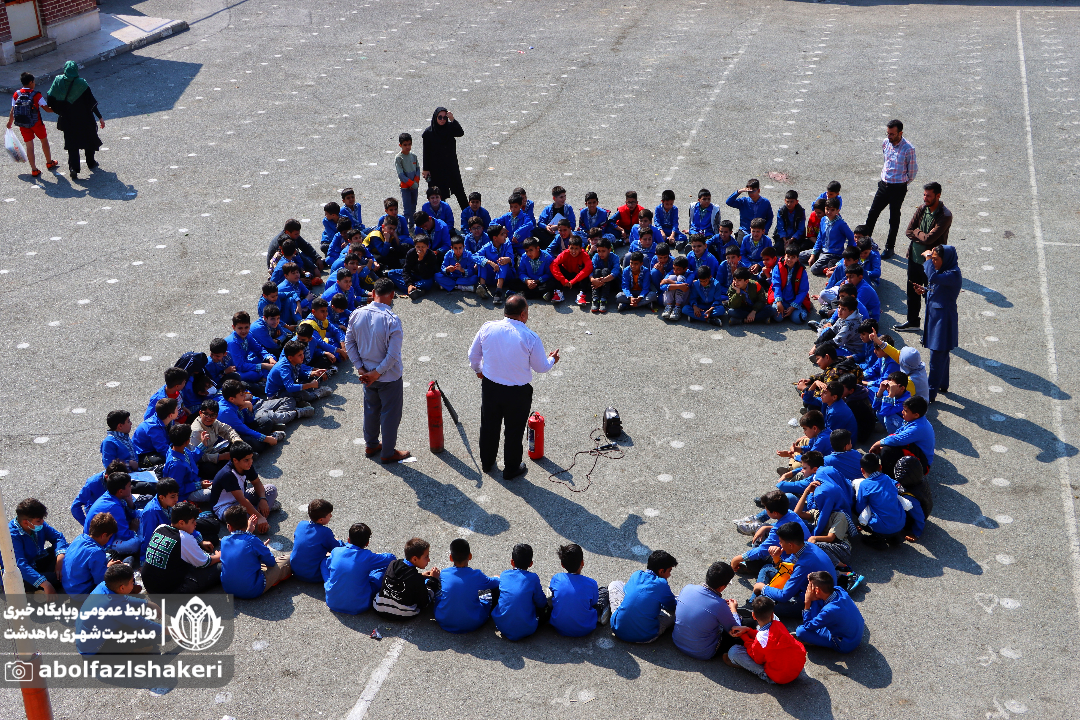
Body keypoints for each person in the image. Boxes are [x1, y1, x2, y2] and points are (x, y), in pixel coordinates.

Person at [468, 294, 560, 479]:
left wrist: (479, 370)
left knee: (489, 426)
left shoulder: (487, 327)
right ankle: (511, 468)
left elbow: (473, 355)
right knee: (514, 430)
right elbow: (541, 367)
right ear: (523, 314)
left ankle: (487, 463)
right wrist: (552, 359)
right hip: (517, 393)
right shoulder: (530, 337)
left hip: (491, 387)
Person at [346, 278, 410, 463]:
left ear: (373, 293)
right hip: (388, 377)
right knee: (390, 414)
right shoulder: (392, 320)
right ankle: (388, 452)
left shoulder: (356, 314)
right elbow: (392, 356)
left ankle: (371, 444)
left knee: (371, 410)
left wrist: (361, 368)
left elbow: (349, 343)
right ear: (391, 295)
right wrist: (377, 373)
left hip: (366, 375)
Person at [895, 182, 954, 332]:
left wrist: (917, 232)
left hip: (931, 263)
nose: (925, 198)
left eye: (928, 195)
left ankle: (932, 328)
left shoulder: (945, 215)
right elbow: (908, 230)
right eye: (924, 195)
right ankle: (913, 322)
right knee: (912, 292)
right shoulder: (922, 209)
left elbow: (929, 240)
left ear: (938, 196)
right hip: (914, 258)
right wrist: (920, 234)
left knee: (930, 296)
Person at [750, 522, 836, 619]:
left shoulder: (805, 564)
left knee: (764, 610)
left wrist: (763, 587)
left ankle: (753, 608)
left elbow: (784, 595)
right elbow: (786, 568)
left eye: (781, 541)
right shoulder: (806, 546)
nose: (779, 544)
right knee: (767, 569)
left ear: (790, 545)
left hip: (814, 602)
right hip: (806, 583)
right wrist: (776, 558)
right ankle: (753, 604)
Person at [140, 501, 222, 594]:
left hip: (149, 583)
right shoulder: (184, 538)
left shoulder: (160, 528)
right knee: (221, 566)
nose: (195, 524)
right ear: (181, 523)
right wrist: (219, 556)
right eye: (192, 521)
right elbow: (204, 562)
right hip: (168, 590)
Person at [865, 119, 918, 259]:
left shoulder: (908, 149)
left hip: (898, 188)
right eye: (888, 133)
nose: (889, 136)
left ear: (900, 133)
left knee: (893, 218)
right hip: (884, 185)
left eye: (892, 134)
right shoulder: (885, 143)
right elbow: (886, 161)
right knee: (872, 214)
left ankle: (890, 247)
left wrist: (902, 183)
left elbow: (912, 172)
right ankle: (864, 243)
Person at [724, 596, 807, 684]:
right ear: (772, 615)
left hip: (780, 677)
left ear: (753, 616)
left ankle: (763, 674)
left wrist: (743, 636)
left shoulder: (761, 641)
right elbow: (768, 637)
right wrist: (748, 630)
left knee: (733, 652)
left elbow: (757, 659)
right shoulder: (778, 624)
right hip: (797, 667)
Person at [914, 244, 961, 402]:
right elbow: (936, 289)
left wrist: (927, 259)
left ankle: (930, 393)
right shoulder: (943, 271)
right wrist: (925, 291)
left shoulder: (953, 274)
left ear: (945, 259)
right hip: (936, 319)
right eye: (932, 259)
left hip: (943, 321)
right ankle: (942, 383)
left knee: (937, 355)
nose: (933, 262)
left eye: (936, 259)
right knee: (942, 354)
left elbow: (932, 278)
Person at [45, 61, 104, 180]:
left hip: (67, 119)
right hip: (85, 118)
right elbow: (91, 102)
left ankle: (73, 168)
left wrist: (59, 110)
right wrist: (100, 117)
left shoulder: (58, 81)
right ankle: (91, 163)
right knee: (89, 139)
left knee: (72, 144)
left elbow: (50, 99)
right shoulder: (81, 84)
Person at [672, 562, 740, 661]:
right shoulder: (720, 604)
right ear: (722, 587)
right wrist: (733, 609)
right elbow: (736, 630)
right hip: (702, 652)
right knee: (742, 627)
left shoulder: (688, 588)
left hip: (678, 642)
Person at [220, 505, 292, 599]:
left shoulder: (224, 540)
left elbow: (241, 547)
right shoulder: (252, 540)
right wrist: (263, 548)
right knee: (287, 559)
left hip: (228, 589)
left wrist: (249, 533)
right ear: (246, 523)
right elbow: (271, 562)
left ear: (229, 527)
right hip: (252, 590)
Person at [323, 523, 397, 615]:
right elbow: (391, 558)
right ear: (367, 543)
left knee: (324, 563)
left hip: (332, 602)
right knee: (381, 570)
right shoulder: (368, 556)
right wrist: (377, 555)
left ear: (348, 539)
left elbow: (329, 565)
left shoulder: (336, 551)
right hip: (360, 606)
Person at [609, 550, 678, 643]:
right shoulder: (661, 584)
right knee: (680, 605)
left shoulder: (637, 574)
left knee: (615, 584)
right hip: (645, 636)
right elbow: (672, 606)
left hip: (617, 628)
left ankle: (609, 611)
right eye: (669, 571)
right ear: (661, 571)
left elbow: (626, 591)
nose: (669, 575)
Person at [434, 538, 500, 634]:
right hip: (473, 622)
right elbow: (495, 583)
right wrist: (497, 577)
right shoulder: (477, 575)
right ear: (470, 556)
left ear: (451, 557)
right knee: (489, 592)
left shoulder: (444, 573)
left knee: (438, 589)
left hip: (444, 620)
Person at [208, 441, 277, 532]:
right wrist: (259, 517)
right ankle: (263, 514)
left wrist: (263, 499)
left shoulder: (247, 466)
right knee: (243, 520)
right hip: (226, 508)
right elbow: (242, 500)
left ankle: (261, 515)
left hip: (242, 497)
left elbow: (257, 483)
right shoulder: (227, 474)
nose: (250, 462)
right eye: (247, 460)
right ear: (235, 460)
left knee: (271, 489)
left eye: (251, 458)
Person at [10, 498, 68, 595]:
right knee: (63, 575)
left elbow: (57, 537)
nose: (42, 522)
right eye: (38, 521)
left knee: (69, 552)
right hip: (23, 574)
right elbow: (20, 565)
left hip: (38, 560)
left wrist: (60, 558)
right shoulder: (12, 536)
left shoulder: (37, 524)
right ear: (25, 522)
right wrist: (45, 584)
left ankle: (40, 589)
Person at [795, 571, 864, 653]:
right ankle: (818, 624)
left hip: (846, 644)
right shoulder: (839, 590)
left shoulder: (829, 611)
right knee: (817, 601)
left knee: (800, 631)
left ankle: (815, 640)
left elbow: (807, 626)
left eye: (810, 587)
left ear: (817, 590)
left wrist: (807, 602)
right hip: (854, 634)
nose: (809, 590)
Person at [491, 543, 549, 641]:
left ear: (512, 562)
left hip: (501, 626)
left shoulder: (504, 574)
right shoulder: (533, 578)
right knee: (546, 607)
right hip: (527, 629)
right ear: (531, 563)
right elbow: (541, 603)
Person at [374, 537, 442, 618]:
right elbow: (425, 603)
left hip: (379, 607)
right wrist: (433, 580)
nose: (429, 560)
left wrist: (421, 575)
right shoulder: (416, 579)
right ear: (415, 559)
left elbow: (404, 578)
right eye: (426, 557)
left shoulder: (393, 564)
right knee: (428, 587)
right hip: (402, 614)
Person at [549, 543, 606, 637]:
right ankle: (601, 616)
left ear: (562, 565)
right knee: (603, 592)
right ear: (582, 563)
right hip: (585, 629)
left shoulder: (557, 578)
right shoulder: (591, 583)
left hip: (559, 627)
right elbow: (593, 603)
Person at [871, 395, 935, 477]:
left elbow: (897, 439)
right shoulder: (916, 420)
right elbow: (898, 433)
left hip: (922, 464)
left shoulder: (918, 427)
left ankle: (890, 479)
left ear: (916, 414)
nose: (902, 412)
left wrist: (878, 443)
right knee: (887, 445)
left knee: (887, 451)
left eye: (905, 411)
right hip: (915, 451)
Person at [8, 72, 57, 177]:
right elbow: (47, 109)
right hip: (37, 123)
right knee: (44, 141)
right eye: (34, 82)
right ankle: (49, 162)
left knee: (29, 146)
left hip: (23, 124)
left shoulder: (16, 94)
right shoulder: (36, 95)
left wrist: (9, 122)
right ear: (31, 82)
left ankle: (34, 169)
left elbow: (13, 110)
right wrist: (60, 109)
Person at [853, 453, 907, 548]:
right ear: (880, 467)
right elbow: (897, 485)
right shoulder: (887, 478)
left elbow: (860, 506)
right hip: (901, 522)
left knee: (860, 512)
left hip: (882, 527)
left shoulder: (864, 485)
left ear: (862, 470)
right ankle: (894, 537)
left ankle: (877, 538)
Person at [84, 472, 141, 561]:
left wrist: (130, 502)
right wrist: (134, 529)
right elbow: (125, 535)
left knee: (140, 514)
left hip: (109, 533)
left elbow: (133, 514)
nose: (131, 488)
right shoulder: (114, 506)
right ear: (120, 491)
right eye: (129, 486)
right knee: (135, 543)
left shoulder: (113, 495)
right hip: (101, 543)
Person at [62, 512, 121, 595]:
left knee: (112, 553)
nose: (109, 540)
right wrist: (108, 568)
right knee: (117, 576)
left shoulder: (80, 538)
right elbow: (100, 579)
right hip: (82, 592)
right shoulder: (96, 552)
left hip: (69, 586)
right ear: (103, 535)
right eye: (109, 537)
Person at [421, 107, 467, 209]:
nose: (442, 120)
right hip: (436, 169)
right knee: (438, 194)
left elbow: (460, 132)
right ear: (435, 117)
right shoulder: (429, 133)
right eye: (440, 117)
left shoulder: (450, 128)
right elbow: (426, 152)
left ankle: (471, 219)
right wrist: (425, 169)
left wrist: (452, 119)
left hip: (451, 166)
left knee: (459, 192)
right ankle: (441, 220)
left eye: (444, 117)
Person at [290, 499, 344, 583]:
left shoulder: (301, 524)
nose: (331, 516)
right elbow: (338, 549)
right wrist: (339, 542)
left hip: (295, 571)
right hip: (313, 575)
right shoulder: (325, 532)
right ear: (321, 520)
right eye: (329, 515)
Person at [164, 423, 213, 502]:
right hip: (186, 493)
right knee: (214, 492)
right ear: (186, 442)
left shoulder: (180, 449)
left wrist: (203, 444)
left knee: (219, 484)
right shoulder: (177, 465)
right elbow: (178, 489)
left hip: (195, 481)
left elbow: (191, 458)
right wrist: (199, 485)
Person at [770, 246, 812, 324]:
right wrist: (779, 303)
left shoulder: (802, 271)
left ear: (797, 259)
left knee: (799, 319)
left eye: (793, 257)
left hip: (794, 300)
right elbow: (776, 285)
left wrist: (792, 307)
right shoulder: (778, 267)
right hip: (781, 299)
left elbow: (803, 290)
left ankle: (799, 309)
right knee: (777, 317)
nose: (789, 259)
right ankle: (784, 311)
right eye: (788, 256)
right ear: (784, 256)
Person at [551, 235, 593, 305]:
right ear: (568, 247)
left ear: (580, 249)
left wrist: (573, 281)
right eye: (572, 248)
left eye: (576, 248)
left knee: (585, 271)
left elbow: (589, 267)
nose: (573, 251)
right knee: (557, 266)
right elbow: (553, 264)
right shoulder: (565, 253)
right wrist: (563, 280)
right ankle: (558, 292)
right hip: (566, 277)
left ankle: (581, 295)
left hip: (577, 279)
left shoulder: (584, 255)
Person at [396, 132, 422, 222]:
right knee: (407, 210)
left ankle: (411, 227)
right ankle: (404, 228)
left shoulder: (413, 156)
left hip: (414, 186)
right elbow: (401, 174)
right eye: (405, 145)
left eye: (409, 144)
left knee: (413, 208)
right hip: (405, 187)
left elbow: (418, 169)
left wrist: (416, 182)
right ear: (400, 145)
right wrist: (411, 183)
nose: (407, 147)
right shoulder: (399, 158)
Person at [773, 189, 806, 256]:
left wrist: (791, 240)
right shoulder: (781, 211)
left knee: (796, 250)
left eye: (792, 202)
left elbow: (801, 229)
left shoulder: (801, 212)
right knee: (778, 250)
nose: (789, 204)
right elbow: (780, 226)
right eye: (787, 201)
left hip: (795, 237)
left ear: (796, 202)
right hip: (783, 237)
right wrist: (785, 241)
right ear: (785, 201)